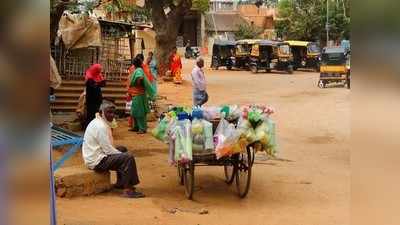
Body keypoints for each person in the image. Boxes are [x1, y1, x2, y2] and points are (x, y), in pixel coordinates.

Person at [82, 101, 145, 198]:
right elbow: (108, 150)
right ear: (101, 112)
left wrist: (120, 153)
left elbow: (107, 148)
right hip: (97, 161)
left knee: (122, 150)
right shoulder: (100, 126)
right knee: (128, 158)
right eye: (109, 112)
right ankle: (128, 190)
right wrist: (123, 155)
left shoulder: (99, 122)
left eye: (113, 113)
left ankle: (121, 183)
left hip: (97, 156)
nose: (112, 115)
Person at [128, 57, 156, 133]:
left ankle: (142, 128)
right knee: (135, 112)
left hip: (139, 94)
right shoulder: (138, 69)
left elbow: (140, 78)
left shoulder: (139, 70)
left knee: (140, 112)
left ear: (134, 63)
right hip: (136, 94)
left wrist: (137, 84)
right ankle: (136, 127)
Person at [84, 64, 106, 128]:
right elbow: (93, 86)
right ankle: (89, 128)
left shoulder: (98, 75)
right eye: (98, 70)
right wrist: (98, 83)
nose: (99, 72)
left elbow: (104, 83)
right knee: (91, 114)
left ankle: (95, 127)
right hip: (91, 99)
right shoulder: (89, 77)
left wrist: (99, 82)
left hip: (97, 98)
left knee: (97, 113)